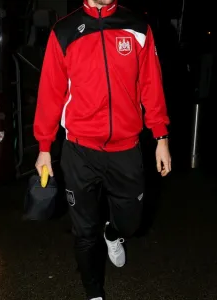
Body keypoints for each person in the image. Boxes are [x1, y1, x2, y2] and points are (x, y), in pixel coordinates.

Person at [33, 0, 171, 299]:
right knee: (83, 232)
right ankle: (94, 292)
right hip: (79, 149)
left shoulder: (137, 27)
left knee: (132, 222)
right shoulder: (65, 31)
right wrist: (44, 147)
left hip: (126, 148)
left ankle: (113, 232)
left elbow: (151, 83)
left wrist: (161, 136)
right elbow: (50, 92)